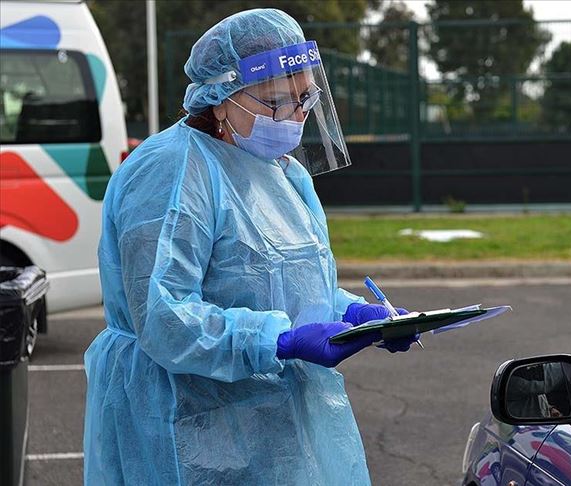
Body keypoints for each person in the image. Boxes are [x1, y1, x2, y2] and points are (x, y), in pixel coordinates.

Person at [83, 9, 416, 485]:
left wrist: (357, 315)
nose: (295, 116)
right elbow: (164, 317)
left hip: (277, 420)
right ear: (220, 98)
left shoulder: (284, 173)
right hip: (188, 419)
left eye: (305, 99)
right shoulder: (172, 171)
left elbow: (290, 284)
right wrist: (275, 341)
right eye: (276, 102)